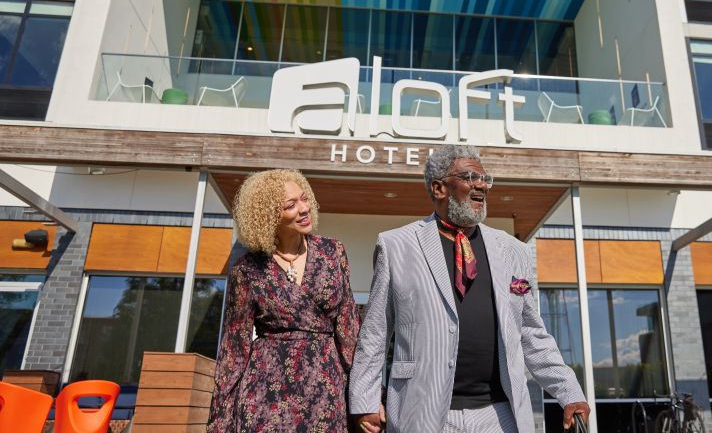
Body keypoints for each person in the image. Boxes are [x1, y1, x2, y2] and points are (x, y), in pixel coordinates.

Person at [349, 145, 590, 432]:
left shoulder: (514, 250)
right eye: (470, 177)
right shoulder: (396, 246)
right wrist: (364, 401)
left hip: (499, 415)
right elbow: (375, 331)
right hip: (423, 411)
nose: (482, 186)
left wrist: (569, 391)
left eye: (485, 179)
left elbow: (530, 332)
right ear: (439, 188)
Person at [208, 169, 360, 432]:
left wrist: (368, 394)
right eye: (291, 205)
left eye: (304, 198)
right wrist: (220, 421)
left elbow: (349, 330)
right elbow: (234, 349)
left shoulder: (332, 252)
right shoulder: (247, 269)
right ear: (268, 216)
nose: (304, 208)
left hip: (326, 388)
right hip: (265, 393)